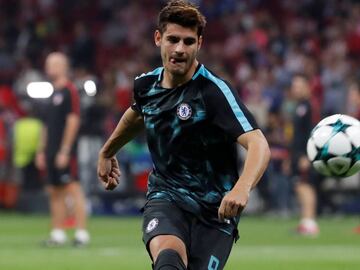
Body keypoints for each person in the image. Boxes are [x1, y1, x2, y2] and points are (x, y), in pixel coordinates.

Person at [97, 1, 270, 269]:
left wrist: (242, 188)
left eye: (188, 42)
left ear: (199, 44)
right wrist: (108, 151)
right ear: (158, 39)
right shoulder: (145, 86)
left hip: (216, 212)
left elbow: (258, 143)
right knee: (168, 259)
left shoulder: (213, 92)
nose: (179, 49)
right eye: (173, 39)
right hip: (166, 197)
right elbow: (137, 114)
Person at [35, 52, 90, 246]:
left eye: (54, 63)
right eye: (48, 63)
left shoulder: (70, 91)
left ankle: (82, 233)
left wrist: (65, 150)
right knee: (54, 191)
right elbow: (45, 126)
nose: (50, 67)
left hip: (65, 151)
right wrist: (41, 150)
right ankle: (58, 233)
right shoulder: (51, 94)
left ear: (64, 66)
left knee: (73, 188)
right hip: (50, 150)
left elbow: (73, 120)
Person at [290, 74, 319, 236]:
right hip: (297, 154)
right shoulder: (299, 106)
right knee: (299, 186)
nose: (296, 89)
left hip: (305, 155)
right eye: (294, 86)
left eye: (299, 85)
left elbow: (313, 132)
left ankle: (310, 223)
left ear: (307, 86)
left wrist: (307, 155)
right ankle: (305, 220)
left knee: (305, 186)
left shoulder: (309, 106)